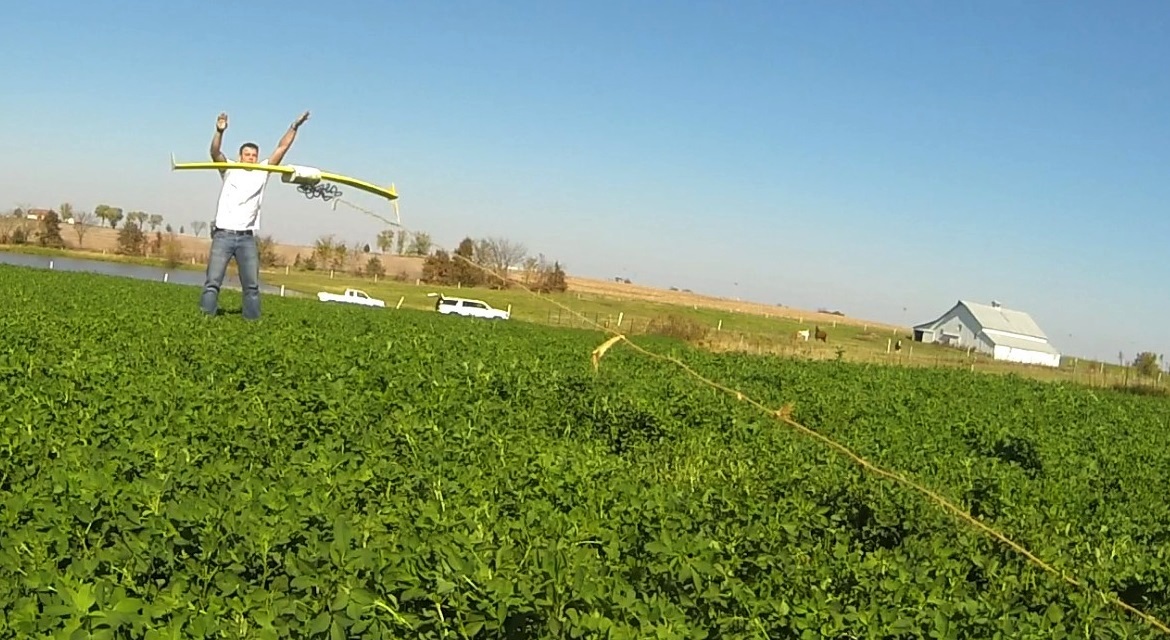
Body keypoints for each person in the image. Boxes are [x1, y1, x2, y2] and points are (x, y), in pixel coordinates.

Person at [199, 110, 310, 319]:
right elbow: (214, 152)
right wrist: (219, 131)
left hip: (246, 238)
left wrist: (295, 126)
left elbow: (282, 147)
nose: (250, 158)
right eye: (247, 155)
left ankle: (252, 322)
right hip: (223, 235)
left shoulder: (263, 171)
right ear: (240, 156)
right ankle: (206, 317)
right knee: (213, 281)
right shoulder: (230, 168)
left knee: (251, 285)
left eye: (253, 155)